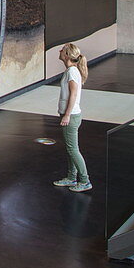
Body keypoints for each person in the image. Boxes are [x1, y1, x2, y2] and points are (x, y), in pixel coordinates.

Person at [53, 42, 91, 192]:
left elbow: (73, 95)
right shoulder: (71, 71)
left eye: (62, 50)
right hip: (68, 115)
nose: (59, 50)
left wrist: (67, 115)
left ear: (67, 55)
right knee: (70, 149)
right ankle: (71, 177)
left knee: (73, 149)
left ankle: (85, 180)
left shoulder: (72, 72)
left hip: (71, 116)